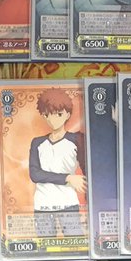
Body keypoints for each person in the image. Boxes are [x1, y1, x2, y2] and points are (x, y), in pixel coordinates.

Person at [29, 88, 87, 239]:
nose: (54, 119)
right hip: (42, 204)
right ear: (44, 115)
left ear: (67, 114)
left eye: (59, 114)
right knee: (45, 245)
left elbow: (88, 170)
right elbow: (35, 174)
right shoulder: (37, 143)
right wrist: (68, 178)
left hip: (68, 202)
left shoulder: (77, 140)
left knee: (75, 243)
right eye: (49, 114)